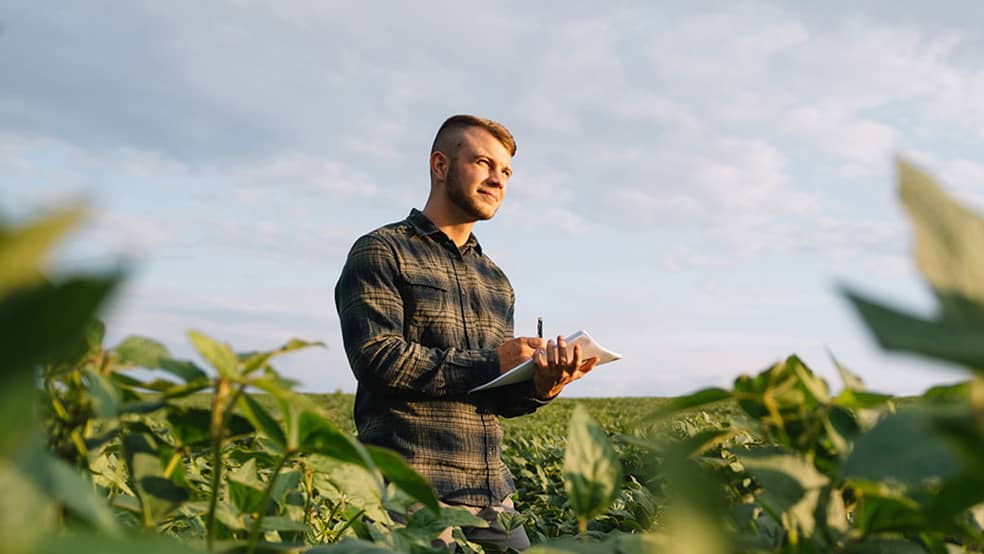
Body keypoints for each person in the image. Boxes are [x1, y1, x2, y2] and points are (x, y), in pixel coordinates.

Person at [334, 114, 598, 551]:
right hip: (411, 494)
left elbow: (494, 395)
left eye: (507, 172)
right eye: (483, 163)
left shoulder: (496, 280)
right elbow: (377, 358)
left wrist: (540, 384)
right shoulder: (382, 250)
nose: (498, 180)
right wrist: (494, 360)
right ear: (440, 166)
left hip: (493, 496)